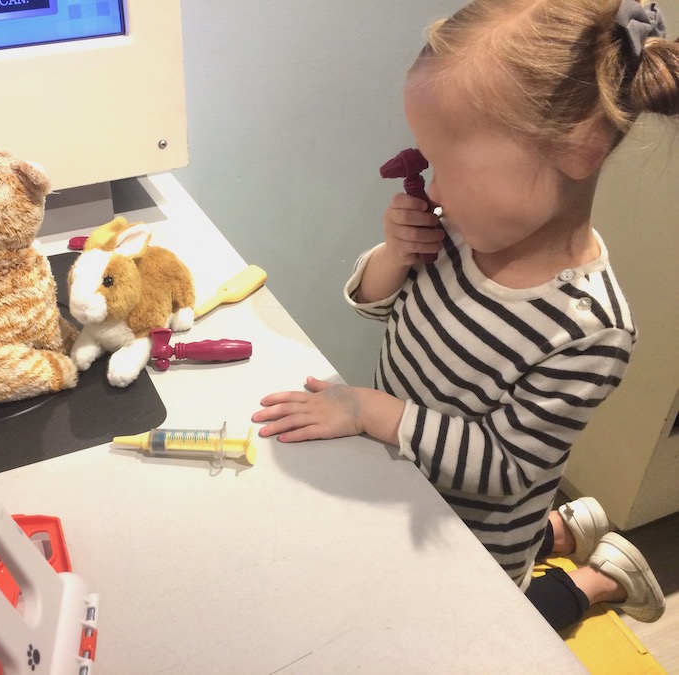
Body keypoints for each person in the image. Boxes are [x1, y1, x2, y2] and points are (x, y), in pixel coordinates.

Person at [252, 0, 676, 630]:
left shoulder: (590, 328)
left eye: (448, 165)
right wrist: (395, 255)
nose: (436, 189)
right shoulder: (461, 234)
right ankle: (563, 527)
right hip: (399, 480)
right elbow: (377, 305)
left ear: (579, 147)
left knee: (487, 628)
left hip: (472, 539)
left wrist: (370, 409)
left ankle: (599, 578)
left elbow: (506, 466)